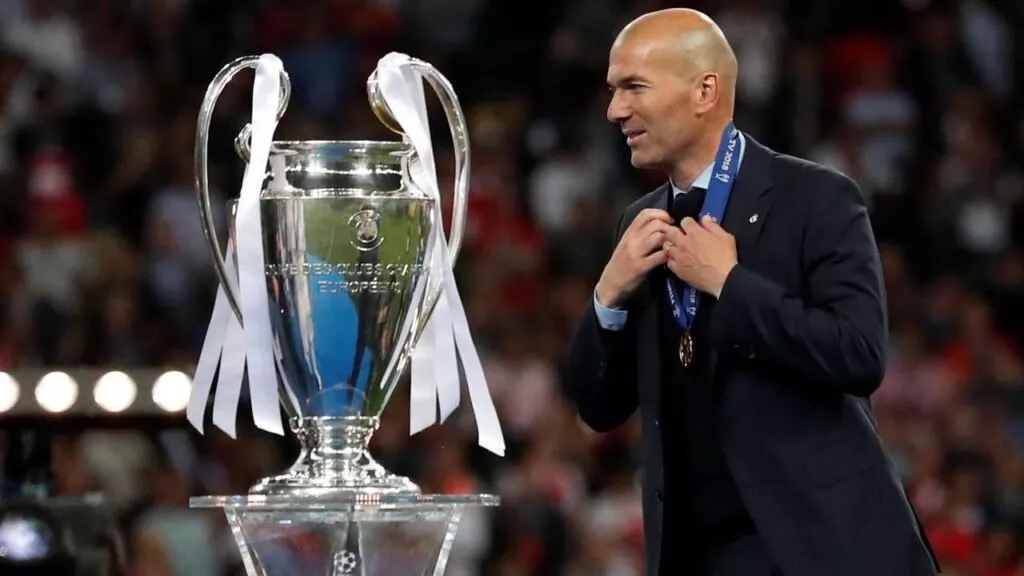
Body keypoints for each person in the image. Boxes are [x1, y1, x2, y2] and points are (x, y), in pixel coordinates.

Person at [565, 9, 940, 576]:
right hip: (699, 554)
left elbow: (859, 354)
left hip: (822, 548)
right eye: (613, 90)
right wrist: (607, 298)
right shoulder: (639, 223)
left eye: (634, 86)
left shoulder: (817, 198)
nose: (616, 109)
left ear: (704, 91)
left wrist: (729, 284)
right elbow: (599, 407)